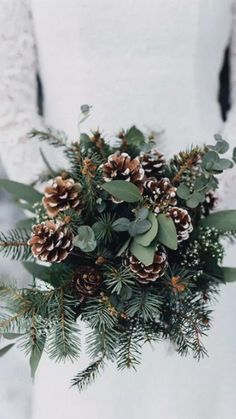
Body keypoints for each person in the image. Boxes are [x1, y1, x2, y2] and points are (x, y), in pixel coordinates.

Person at [0, 1, 236, 418]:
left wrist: (201, 209)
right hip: (75, 258)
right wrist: (71, 223)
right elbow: (9, 106)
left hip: (207, 237)